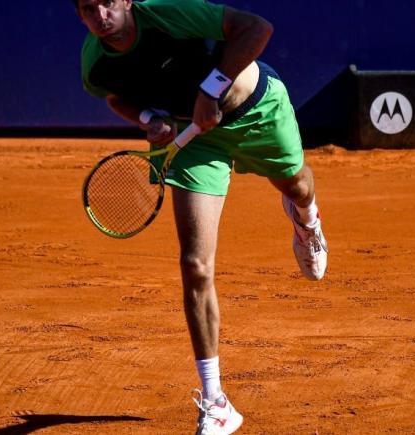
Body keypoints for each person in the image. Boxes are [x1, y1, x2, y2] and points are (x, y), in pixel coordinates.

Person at [73, 0, 328, 433]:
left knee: (296, 185)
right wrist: (150, 118)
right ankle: (216, 401)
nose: (99, 14)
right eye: (87, 8)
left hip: (256, 110)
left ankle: (306, 219)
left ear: (128, 0)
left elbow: (256, 28)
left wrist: (210, 90)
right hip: (192, 142)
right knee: (194, 264)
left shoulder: (168, 12)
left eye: (106, 1)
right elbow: (117, 96)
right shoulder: (95, 63)